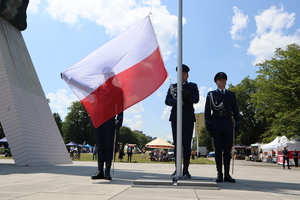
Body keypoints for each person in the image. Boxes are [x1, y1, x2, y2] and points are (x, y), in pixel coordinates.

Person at [204, 72, 240, 183]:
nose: (221, 81)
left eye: (223, 79)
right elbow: (207, 111)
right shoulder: (211, 94)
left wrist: (237, 123)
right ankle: (219, 174)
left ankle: (227, 174)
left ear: (225, 81)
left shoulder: (231, 95)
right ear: (216, 82)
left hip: (228, 124)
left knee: (227, 151)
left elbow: (235, 110)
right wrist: (209, 125)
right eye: (219, 80)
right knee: (218, 151)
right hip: (216, 125)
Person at [165, 64, 199, 178]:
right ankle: (177, 169)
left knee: (186, 145)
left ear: (187, 75)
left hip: (188, 118)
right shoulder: (172, 86)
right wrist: (176, 102)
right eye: (180, 74)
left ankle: (186, 169)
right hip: (175, 118)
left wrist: (187, 94)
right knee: (177, 145)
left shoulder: (193, 86)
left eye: (184, 74)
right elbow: (167, 100)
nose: (182, 75)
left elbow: (196, 99)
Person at [91, 112, 123, 180]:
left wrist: (120, 119)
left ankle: (107, 172)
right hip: (98, 121)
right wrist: (92, 118)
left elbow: (119, 106)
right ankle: (100, 171)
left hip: (109, 122)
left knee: (108, 147)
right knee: (100, 148)